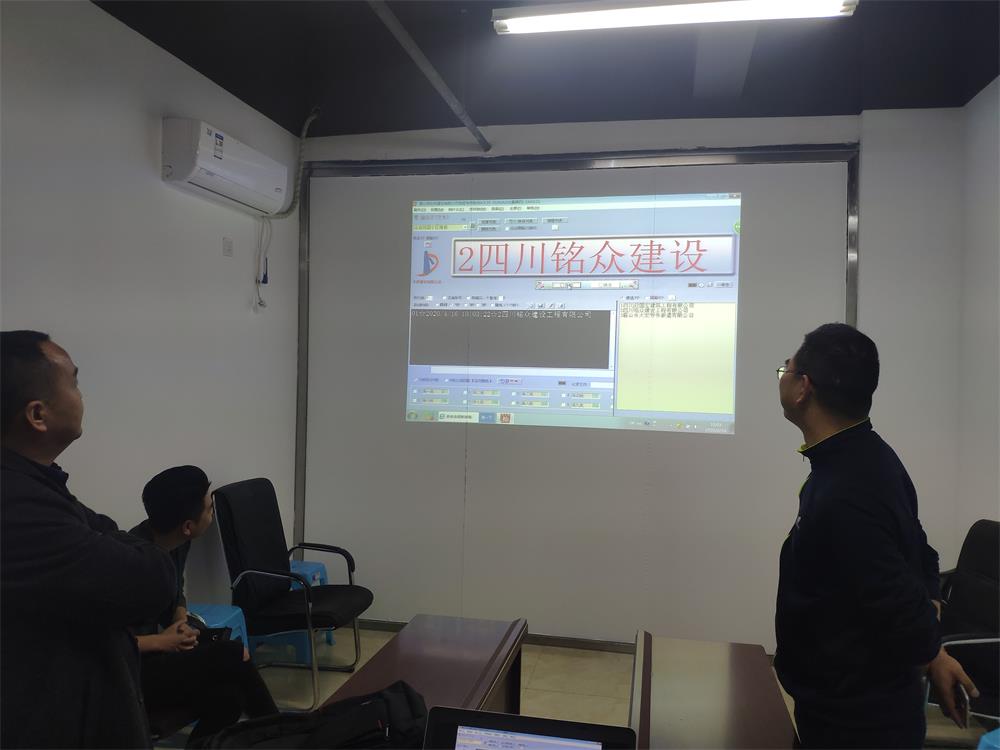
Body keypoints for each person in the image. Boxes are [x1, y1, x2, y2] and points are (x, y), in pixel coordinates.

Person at [774, 323, 979, 749]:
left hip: (854, 720)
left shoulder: (846, 488)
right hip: (854, 704)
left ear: (803, 388)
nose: (783, 377)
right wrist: (933, 641)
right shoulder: (868, 456)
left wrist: (931, 648)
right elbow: (919, 549)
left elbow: (891, 590)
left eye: (785, 369)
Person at [1, 330, 176, 748]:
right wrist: (115, 540)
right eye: (74, 383)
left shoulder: (36, 485)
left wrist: (107, 535)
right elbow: (153, 580)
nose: (82, 396)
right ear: (38, 414)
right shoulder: (16, 507)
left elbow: (106, 528)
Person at [131, 465, 277, 745]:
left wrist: (180, 622)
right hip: (128, 676)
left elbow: (176, 592)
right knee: (233, 653)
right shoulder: (132, 565)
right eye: (210, 509)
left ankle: (278, 736)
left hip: (156, 658)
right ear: (188, 526)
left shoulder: (174, 541)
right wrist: (163, 641)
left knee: (230, 697)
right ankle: (282, 736)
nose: (212, 515)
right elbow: (106, 643)